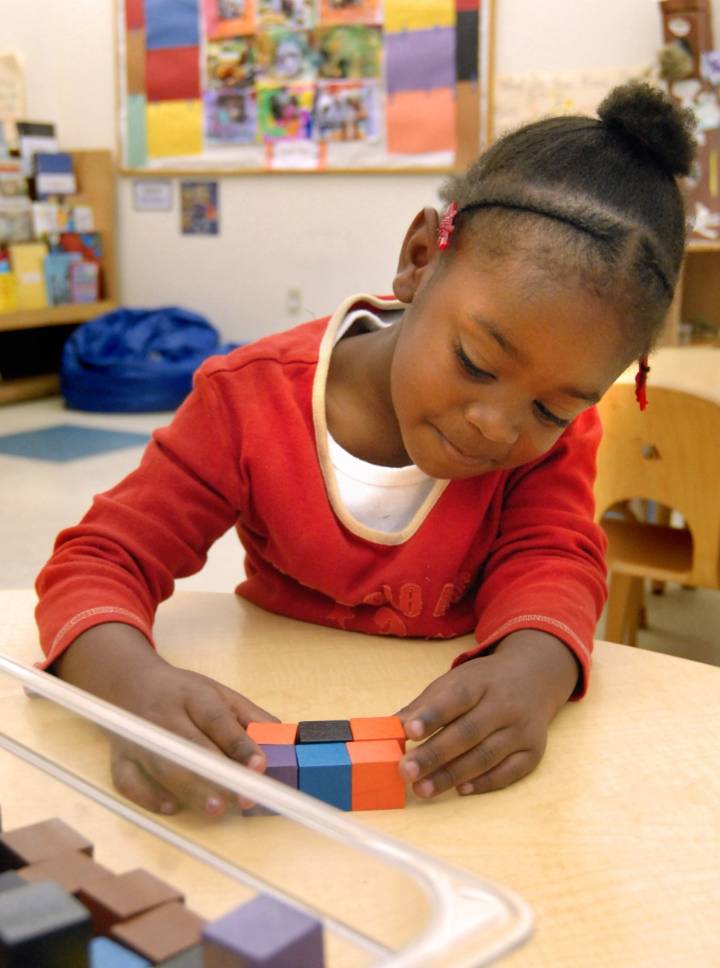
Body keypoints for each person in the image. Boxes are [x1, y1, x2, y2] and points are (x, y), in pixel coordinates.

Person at [35, 82, 695, 817]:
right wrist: (134, 689)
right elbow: (101, 560)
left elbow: (554, 560)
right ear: (418, 258)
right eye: (476, 362)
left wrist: (531, 670)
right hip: (272, 732)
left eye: (550, 407)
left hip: (435, 776)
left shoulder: (554, 444)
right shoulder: (247, 400)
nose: (497, 426)